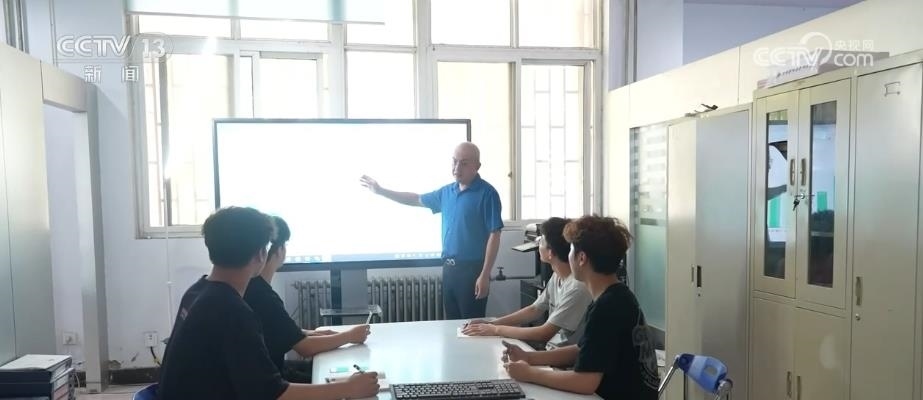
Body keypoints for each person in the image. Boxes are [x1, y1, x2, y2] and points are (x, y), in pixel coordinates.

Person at [158, 207, 379, 400]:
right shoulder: (232, 311)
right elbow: (273, 394)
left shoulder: (197, 291)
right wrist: (348, 388)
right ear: (261, 254)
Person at [500, 215, 659, 400]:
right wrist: (528, 358)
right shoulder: (619, 296)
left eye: (571, 250)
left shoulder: (607, 308)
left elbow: (584, 382)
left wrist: (529, 374)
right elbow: (583, 350)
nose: (568, 256)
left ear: (581, 258)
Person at [359, 142, 503, 319]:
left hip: (472, 271)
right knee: (451, 326)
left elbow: (495, 234)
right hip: (449, 269)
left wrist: (485, 274)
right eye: (454, 161)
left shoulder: (487, 193)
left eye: (464, 163)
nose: (457, 167)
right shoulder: (446, 192)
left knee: (472, 327)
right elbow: (416, 199)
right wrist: (381, 191)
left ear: (477, 166)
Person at [244, 216, 372, 382]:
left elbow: (278, 331)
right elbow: (305, 348)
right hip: (275, 380)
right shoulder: (263, 296)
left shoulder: (253, 288)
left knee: (325, 368)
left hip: (273, 371)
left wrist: (311, 333)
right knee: (336, 377)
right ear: (279, 250)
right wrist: (349, 336)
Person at [461, 217, 592, 350]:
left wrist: (495, 330)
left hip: (565, 356)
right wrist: (492, 324)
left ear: (551, 253)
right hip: (551, 349)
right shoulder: (557, 276)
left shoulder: (577, 288)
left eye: (541, 240)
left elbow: (543, 333)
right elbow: (535, 309)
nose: (538, 243)